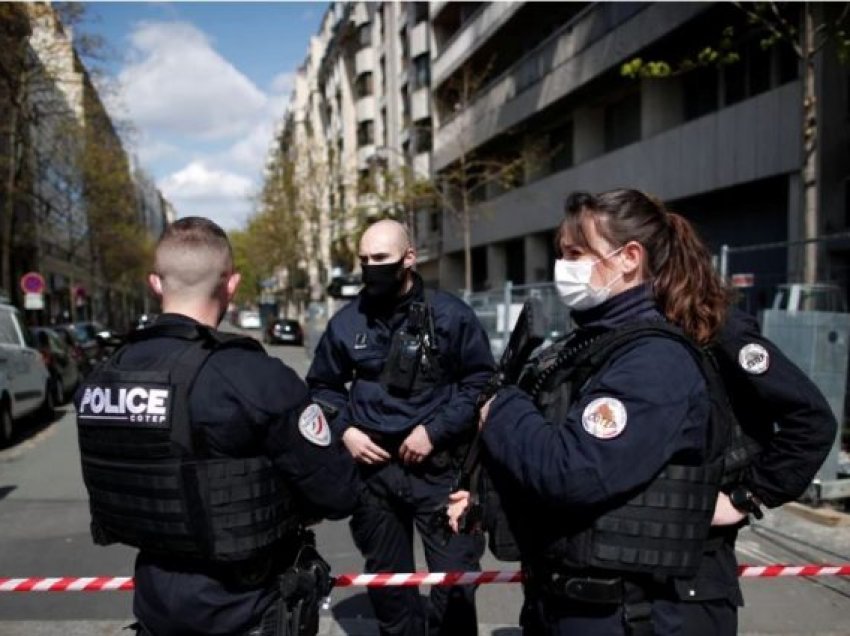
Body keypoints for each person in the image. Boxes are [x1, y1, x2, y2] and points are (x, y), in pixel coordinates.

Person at [449, 189, 741, 635]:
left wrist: (502, 407)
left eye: (577, 253)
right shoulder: (587, 346)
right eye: (562, 253)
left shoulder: (653, 361)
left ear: (629, 258)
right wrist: (484, 498)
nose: (564, 267)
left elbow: (573, 470)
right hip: (566, 600)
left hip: (632, 613)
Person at [75, 217, 360, 636]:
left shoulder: (102, 377)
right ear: (232, 284)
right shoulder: (255, 377)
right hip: (247, 611)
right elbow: (339, 491)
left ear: (155, 283)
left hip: (155, 608)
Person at [306, 219, 495, 636]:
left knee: (455, 583)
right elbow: (322, 386)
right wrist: (346, 433)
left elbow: (481, 382)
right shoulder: (346, 322)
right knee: (390, 587)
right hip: (374, 474)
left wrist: (435, 431)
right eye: (364, 260)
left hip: (442, 471)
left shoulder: (450, 316)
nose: (370, 267)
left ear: (409, 259)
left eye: (381, 259)